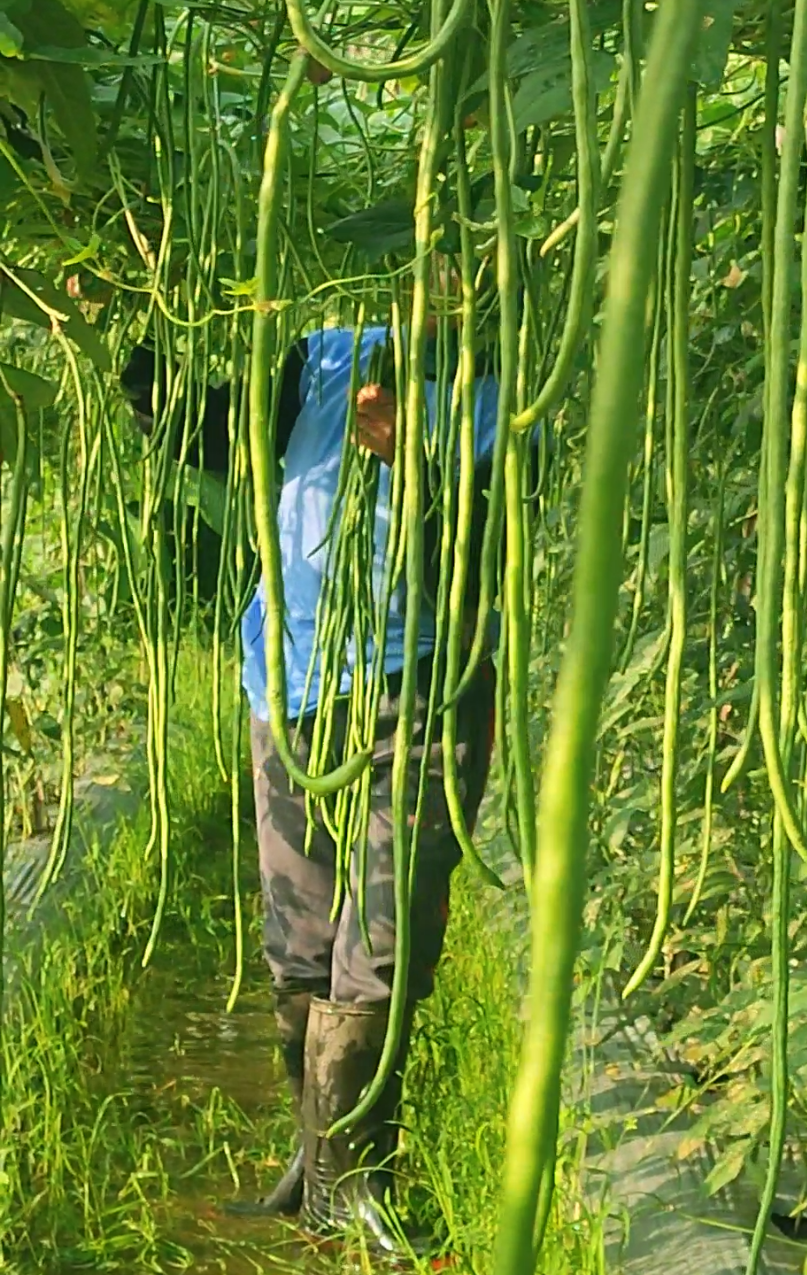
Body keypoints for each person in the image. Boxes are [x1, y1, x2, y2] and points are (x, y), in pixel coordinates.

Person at [122, 291, 534, 1258]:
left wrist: (419, 460)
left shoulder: (505, 381)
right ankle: (311, 1167)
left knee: (380, 946)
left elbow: (512, 531)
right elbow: (224, 441)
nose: (427, 286)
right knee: (298, 935)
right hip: (293, 681)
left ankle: (358, 1178)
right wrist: (136, 358)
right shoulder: (318, 354)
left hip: (423, 696)